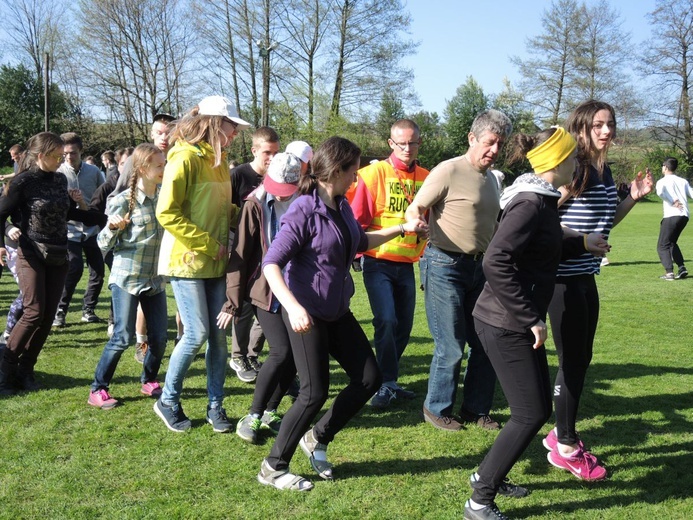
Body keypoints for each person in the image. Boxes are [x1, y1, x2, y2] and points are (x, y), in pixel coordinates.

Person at [256, 136, 428, 491]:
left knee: (369, 378)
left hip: (337, 310)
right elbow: (272, 263)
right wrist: (294, 307)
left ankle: (317, 437)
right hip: (307, 314)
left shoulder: (341, 204)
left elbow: (359, 242)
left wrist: (401, 229)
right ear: (336, 170)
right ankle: (273, 466)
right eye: (353, 170)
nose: (357, 177)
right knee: (313, 393)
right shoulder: (304, 209)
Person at [464, 127, 610, 520]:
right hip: (504, 322)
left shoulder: (542, 201)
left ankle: (487, 473)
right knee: (530, 413)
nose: (578, 164)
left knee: (534, 409)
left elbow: (541, 248)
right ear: (556, 163)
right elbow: (496, 260)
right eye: (573, 159)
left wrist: (581, 243)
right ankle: (480, 500)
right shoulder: (530, 203)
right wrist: (530, 317)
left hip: (509, 320)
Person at [545, 100, 653, 481]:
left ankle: (560, 430)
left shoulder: (603, 170)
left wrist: (632, 198)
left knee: (580, 358)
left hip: (585, 276)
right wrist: (579, 240)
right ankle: (567, 446)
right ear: (582, 128)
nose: (606, 131)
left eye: (610, 125)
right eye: (598, 125)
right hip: (561, 278)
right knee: (573, 360)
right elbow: (538, 217)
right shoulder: (575, 167)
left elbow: (605, 224)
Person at [405, 109, 512, 431]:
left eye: (500, 145)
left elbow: (491, 222)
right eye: (489, 143)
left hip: (480, 269)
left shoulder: (492, 179)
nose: (494, 150)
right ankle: (436, 408)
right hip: (444, 266)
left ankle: (475, 408)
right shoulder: (448, 170)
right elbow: (416, 205)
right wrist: (415, 220)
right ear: (472, 138)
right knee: (451, 344)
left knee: (484, 342)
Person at [153, 95, 248, 433]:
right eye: (231, 125)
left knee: (219, 336)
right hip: (187, 262)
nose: (235, 132)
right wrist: (210, 245)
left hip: (215, 262)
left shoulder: (220, 160)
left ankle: (215, 405)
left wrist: (246, 213)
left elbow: (221, 208)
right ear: (213, 123)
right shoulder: (183, 157)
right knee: (197, 333)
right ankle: (168, 399)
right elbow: (166, 212)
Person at [0, 132, 105, 395]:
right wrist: (6, 234)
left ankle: (26, 371)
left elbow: (68, 212)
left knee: (47, 317)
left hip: (58, 253)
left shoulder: (59, 180)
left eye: (63, 156)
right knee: (33, 310)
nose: (62, 160)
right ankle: (5, 370)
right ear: (40, 156)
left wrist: (98, 218)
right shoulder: (22, 182)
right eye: (57, 156)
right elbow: (1, 214)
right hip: (30, 252)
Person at [217, 152, 303, 444]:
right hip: (264, 291)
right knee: (280, 351)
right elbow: (240, 254)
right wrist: (232, 301)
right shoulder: (254, 203)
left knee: (295, 355)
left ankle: (270, 412)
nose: (282, 197)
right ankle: (252, 416)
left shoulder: (305, 196)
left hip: (297, 290)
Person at [348, 119, 430, 408]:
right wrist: (356, 255)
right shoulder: (372, 174)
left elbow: (430, 218)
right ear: (390, 144)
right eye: (401, 143)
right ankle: (386, 383)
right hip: (377, 261)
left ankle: (385, 380)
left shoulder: (427, 176)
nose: (408, 149)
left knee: (404, 326)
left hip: (407, 263)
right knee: (386, 320)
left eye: (413, 143)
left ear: (420, 142)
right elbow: (356, 220)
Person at [88, 143, 167, 409]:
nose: (163, 169)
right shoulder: (122, 202)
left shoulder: (164, 198)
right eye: (159, 165)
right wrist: (111, 227)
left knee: (159, 337)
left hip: (154, 279)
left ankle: (149, 380)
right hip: (126, 279)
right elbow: (101, 244)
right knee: (122, 337)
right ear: (143, 168)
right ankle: (98, 389)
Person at [228, 126, 280, 382]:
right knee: (245, 305)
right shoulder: (238, 175)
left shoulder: (277, 177)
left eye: (276, 153)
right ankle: (237, 355)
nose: (272, 158)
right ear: (254, 150)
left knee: (268, 303)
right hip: (241, 250)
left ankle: (251, 354)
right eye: (267, 153)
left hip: (268, 253)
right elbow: (226, 212)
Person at [52, 132, 107, 327]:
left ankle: (88, 310)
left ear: (81, 151)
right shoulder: (57, 172)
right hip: (69, 230)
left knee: (98, 272)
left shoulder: (94, 172)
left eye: (72, 152)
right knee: (74, 268)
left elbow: (104, 196)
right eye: (65, 153)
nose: (68, 157)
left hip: (92, 229)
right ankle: (60, 311)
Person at [656, 157, 692, 280]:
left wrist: (672, 201)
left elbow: (660, 193)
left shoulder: (662, 181)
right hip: (684, 216)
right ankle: (682, 268)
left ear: (665, 167)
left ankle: (669, 273)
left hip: (672, 215)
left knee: (662, 245)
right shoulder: (683, 181)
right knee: (671, 242)